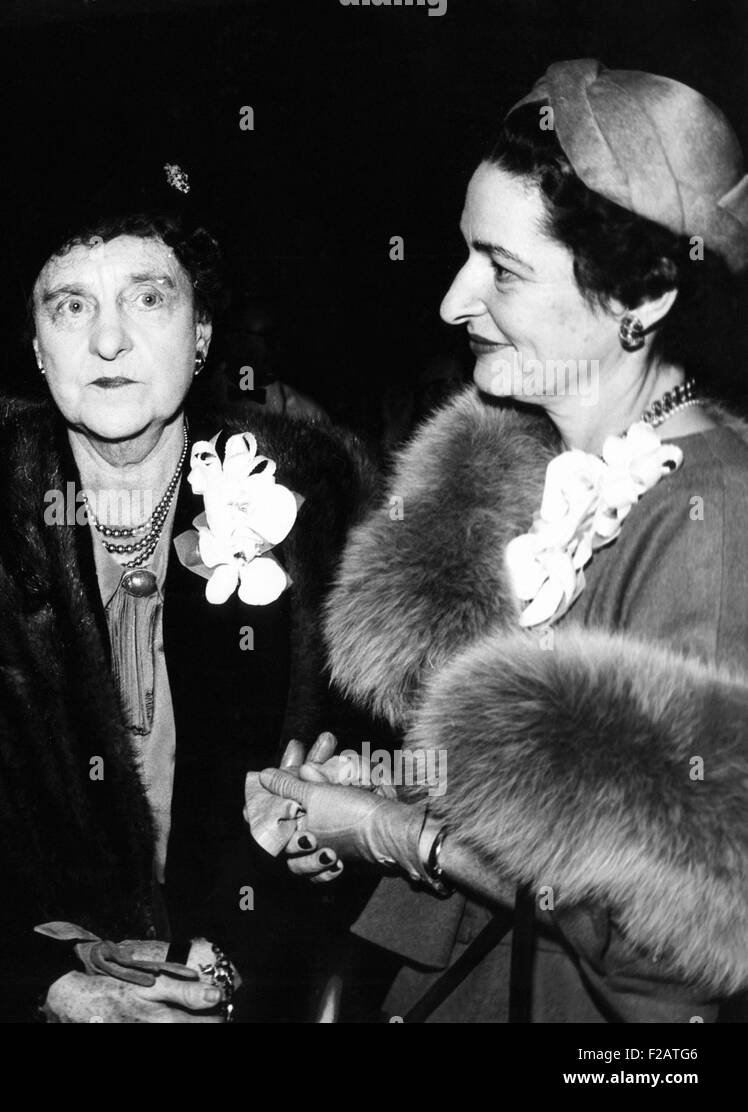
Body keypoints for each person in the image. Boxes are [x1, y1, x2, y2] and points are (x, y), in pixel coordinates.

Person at [252, 59, 748, 1022]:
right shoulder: (540, 478)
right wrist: (370, 791)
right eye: (463, 253)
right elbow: (548, 803)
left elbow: (666, 950)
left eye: (503, 270)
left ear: (642, 295)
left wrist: (396, 834)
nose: (451, 301)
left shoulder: (711, 520)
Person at [0, 204, 375, 1021]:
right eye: (71, 306)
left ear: (203, 334)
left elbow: (368, 757)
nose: (109, 341)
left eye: (148, 298)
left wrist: (325, 844)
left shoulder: (310, 507)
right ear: (37, 347)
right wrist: (52, 985)